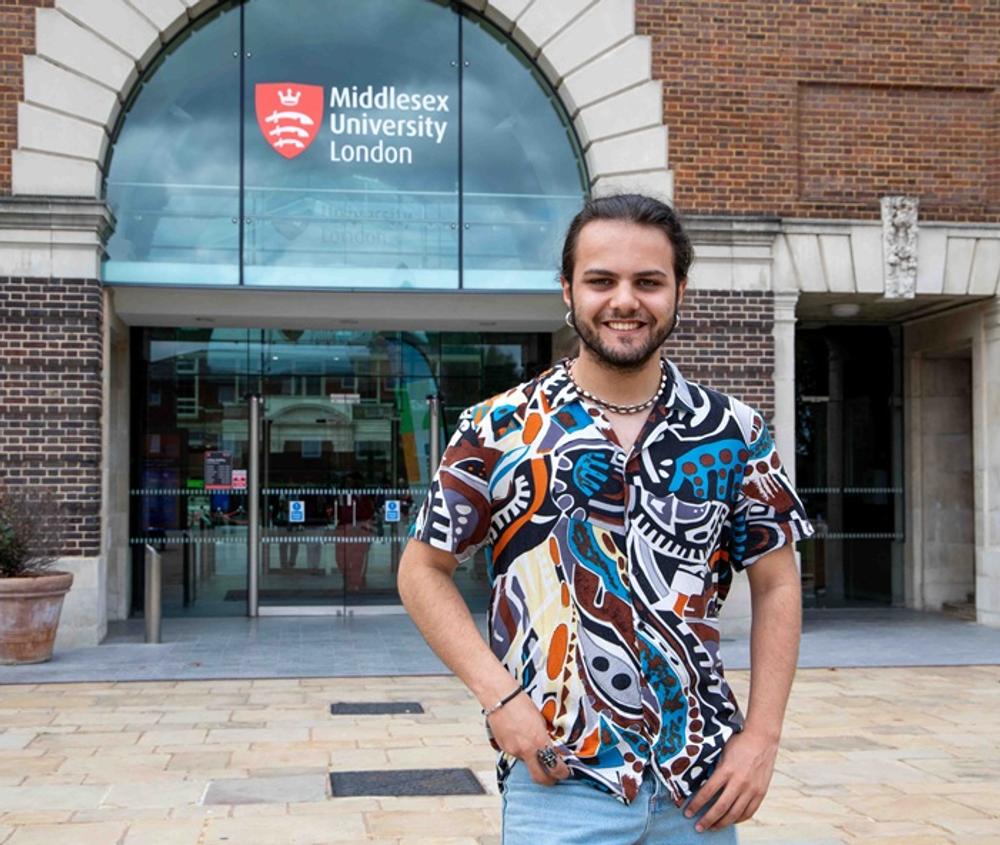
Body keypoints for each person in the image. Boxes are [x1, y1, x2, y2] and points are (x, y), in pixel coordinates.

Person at [398, 194, 813, 844]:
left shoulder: (735, 432)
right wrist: (499, 696)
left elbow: (779, 582)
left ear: (679, 289)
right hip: (560, 783)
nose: (625, 300)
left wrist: (762, 736)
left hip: (700, 790)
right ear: (568, 289)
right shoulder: (497, 428)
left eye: (648, 281)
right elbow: (422, 569)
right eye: (601, 280)